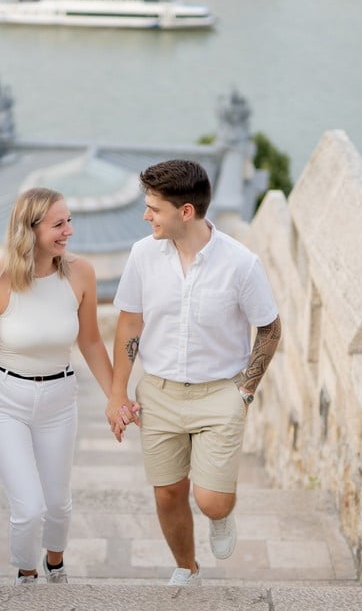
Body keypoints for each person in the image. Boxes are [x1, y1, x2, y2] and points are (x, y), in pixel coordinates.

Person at [107, 159, 281, 586]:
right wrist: (117, 393)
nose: (146, 216)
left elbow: (270, 328)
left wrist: (245, 391)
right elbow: (129, 324)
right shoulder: (143, 255)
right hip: (159, 392)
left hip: (220, 394)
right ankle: (187, 567)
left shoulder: (241, 264)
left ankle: (221, 516)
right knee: (168, 493)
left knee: (212, 501)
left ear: (186, 211)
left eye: (154, 208)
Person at [0, 187, 135, 585]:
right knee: (29, 508)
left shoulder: (81, 273)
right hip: (2, 402)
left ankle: (55, 564)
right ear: (30, 229)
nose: (69, 231)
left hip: (58, 401)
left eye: (69, 220)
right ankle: (27, 573)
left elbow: (91, 342)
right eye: (58, 224)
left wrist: (117, 398)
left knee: (58, 504)